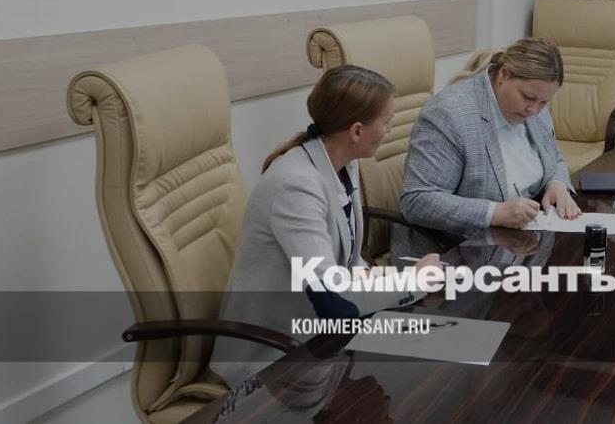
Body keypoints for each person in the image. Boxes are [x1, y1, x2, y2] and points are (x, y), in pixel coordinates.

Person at [211, 65, 438, 386]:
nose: (390, 130)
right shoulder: (295, 185)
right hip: (274, 355)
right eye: (386, 122)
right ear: (356, 131)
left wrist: (375, 275)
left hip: (321, 337)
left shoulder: (342, 164)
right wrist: (414, 282)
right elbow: (332, 299)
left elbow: (343, 252)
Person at [395, 37, 580, 255]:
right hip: (456, 253)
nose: (534, 110)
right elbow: (417, 200)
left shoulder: (534, 105)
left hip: (520, 245)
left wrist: (556, 182)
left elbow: (554, 157)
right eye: (528, 97)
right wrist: (495, 213)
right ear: (503, 75)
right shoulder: (449, 114)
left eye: (543, 102)